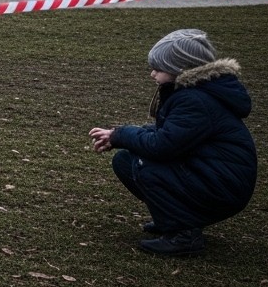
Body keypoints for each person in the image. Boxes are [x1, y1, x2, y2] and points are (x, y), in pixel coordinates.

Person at [88, 29, 257, 256]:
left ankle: (184, 236)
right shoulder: (195, 92)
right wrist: (117, 136)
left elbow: (162, 145)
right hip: (212, 175)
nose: (152, 74)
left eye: (159, 68)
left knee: (143, 165)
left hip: (222, 186)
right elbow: (170, 134)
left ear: (181, 70)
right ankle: (173, 219)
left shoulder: (195, 100)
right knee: (126, 160)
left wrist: (121, 135)